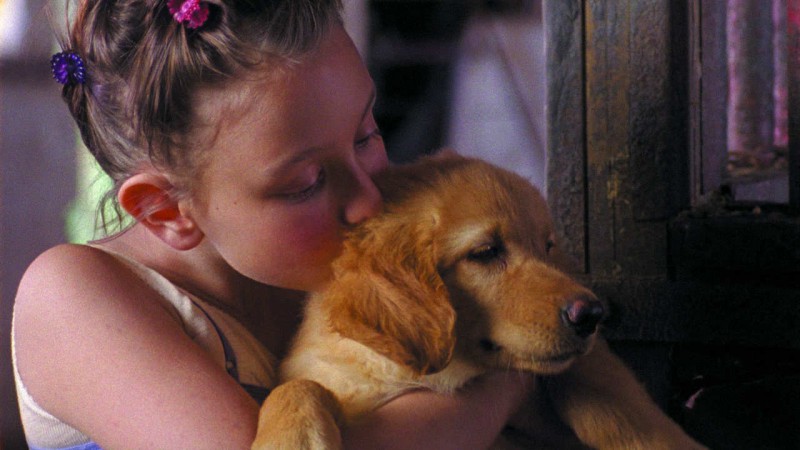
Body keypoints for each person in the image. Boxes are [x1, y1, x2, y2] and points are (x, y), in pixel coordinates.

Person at [12, 1, 534, 448]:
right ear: (165, 210)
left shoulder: (315, 274)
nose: (369, 200)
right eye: (306, 183)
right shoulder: (72, 296)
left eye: (366, 134)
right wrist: (507, 384)